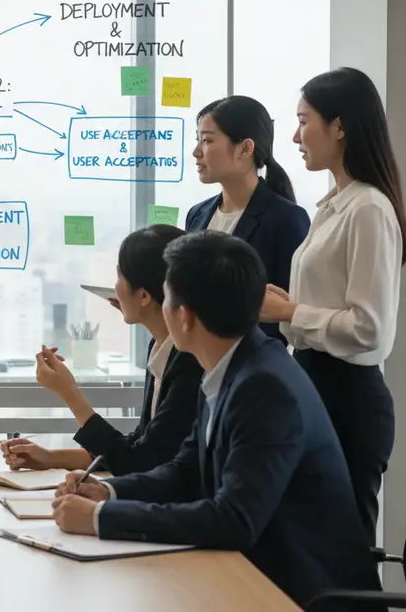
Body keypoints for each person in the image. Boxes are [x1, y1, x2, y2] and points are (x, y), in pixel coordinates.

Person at [49, 231, 379, 608]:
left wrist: (101, 518)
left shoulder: (265, 389)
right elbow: (185, 471)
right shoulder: (232, 366)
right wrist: (108, 492)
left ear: (184, 317)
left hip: (302, 594)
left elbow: (233, 520)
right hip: (254, 577)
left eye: (167, 297)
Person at [259, 67, 406, 545]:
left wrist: (290, 314)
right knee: (309, 542)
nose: (295, 135)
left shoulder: (368, 208)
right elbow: (334, 305)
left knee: (341, 550)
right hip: (315, 382)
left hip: (347, 395)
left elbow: (370, 330)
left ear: (339, 127)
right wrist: (293, 307)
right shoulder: (335, 203)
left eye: (305, 121)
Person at [0, 225, 203, 476]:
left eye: (119, 277)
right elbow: (139, 446)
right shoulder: (162, 348)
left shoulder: (190, 363)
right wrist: (50, 457)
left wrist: (69, 393)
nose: (114, 287)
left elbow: (137, 463)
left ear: (143, 295)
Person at [185, 95, 310, 343]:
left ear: (245, 148)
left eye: (207, 140)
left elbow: (291, 311)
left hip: (251, 367)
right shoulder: (197, 215)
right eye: (197, 140)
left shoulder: (286, 219)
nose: (196, 152)